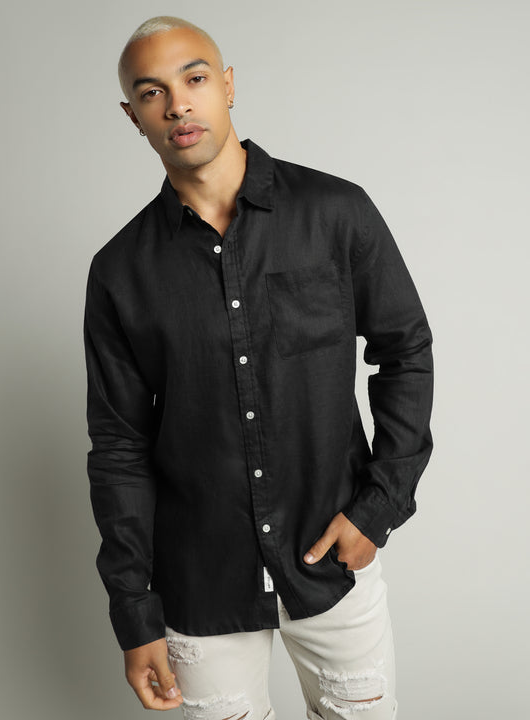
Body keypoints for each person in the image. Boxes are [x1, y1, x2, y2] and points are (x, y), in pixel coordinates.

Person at [83, 15, 433, 720]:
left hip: (332, 561)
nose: (177, 104)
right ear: (133, 116)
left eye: (194, 78)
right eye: (151, 92)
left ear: (228, 85)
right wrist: (134, 609)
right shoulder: (120, 271)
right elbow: (119, 446)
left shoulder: (335, 212)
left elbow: (405, 351)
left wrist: (379, 507)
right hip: (199, 583)